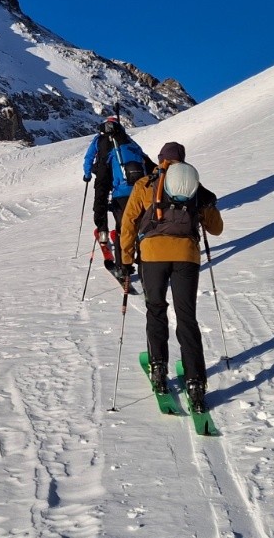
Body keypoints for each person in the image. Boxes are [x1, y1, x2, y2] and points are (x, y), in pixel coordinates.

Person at [118, 142, 224, 412]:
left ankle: (158, 368)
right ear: (183, 161)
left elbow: (129, 222)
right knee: (186, 316)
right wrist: (208, 205)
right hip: (186, 256)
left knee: (156, 310)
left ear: (161, 160)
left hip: (152, 256)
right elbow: (216, 229)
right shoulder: (194, 187)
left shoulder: (145, 183)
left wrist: (127, 258)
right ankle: (196, 384)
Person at [81, 116, 151, 271]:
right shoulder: (127, 141)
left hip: (111, 181)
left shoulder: (99, 140)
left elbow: (89, 158)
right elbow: (144, 160)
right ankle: (142, 256)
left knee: (101, 203)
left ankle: (103, 231)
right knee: (138, 222)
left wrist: (87, 174)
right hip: (139, 188)